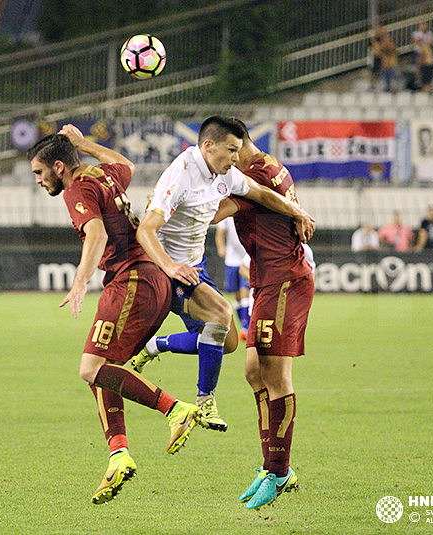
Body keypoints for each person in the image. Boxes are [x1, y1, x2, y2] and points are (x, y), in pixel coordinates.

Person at [27, 125, 202, 505]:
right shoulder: (101, 173)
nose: (39, 182)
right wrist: (83, 145)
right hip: (151, 280)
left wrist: (79, 281)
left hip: (132, 281)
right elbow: (126, 163)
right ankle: (118, 454)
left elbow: (97, 235)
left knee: (90, 368)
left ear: (59, 167)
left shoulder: (77, 188)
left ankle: (177, 409)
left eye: (39, 173)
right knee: (104, 370)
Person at [132, 116, 313, 434]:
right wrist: (171, 267)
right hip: (163, 269)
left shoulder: (225, 174)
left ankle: (152, 346)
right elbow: (146, 230)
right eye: (231, 150)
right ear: (208, 145)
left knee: (226, 341)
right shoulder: (180, 175)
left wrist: (297, 211)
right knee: (221, 312)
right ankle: (205, 402)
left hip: (194, 266)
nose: (235, 159)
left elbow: (261, 194)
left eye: (237, 151)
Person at [210, 118, 315, 510]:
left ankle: (279, 470)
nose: (225, 164)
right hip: (269, 279)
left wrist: (166, 209)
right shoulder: (266, 164)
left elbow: (217, 210)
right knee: (254, 370)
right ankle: (272, 463)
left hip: (284, 280)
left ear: (237, 148)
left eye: (228, 154)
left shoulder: (253, 175)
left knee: (275, 374)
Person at [215, 216, 250, 340]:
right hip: (232, 259)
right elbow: (220, 232)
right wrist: (221, 247)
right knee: (236, 295)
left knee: (245, 290)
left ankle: (247, 327)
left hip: (247, 256)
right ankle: (244, 325)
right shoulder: (228, 213)